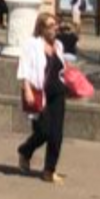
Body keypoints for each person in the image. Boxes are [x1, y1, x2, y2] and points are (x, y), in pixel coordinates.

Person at [16, 14, 73, 183]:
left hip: (58, 94)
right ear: (41, 28)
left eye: (55, 25)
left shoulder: (59, 46)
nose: (54, 28)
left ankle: (49, 170)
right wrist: (27, 89)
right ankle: (25, 151)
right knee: (43, 131)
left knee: (57, 134)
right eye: (50, 25)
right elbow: (24, 67)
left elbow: (61, 69)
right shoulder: (32, 45)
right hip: (40, 94)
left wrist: (69, 84)